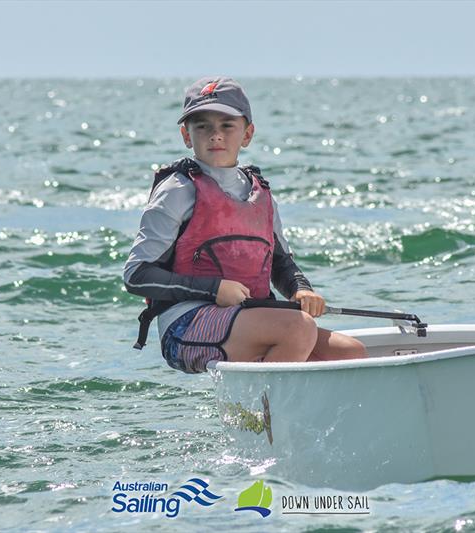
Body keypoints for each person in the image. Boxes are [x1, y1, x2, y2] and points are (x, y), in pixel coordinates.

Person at [124, 77, 366, 373]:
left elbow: (280, 263)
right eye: (202, 126)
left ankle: (285, 413)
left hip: (249, 318)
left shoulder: (259, 192)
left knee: (351, 352)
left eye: (227, 125)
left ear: (247, 134)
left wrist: (300, 290)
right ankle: (260, 417)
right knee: (297, 328)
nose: (215, 135)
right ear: (187, 136)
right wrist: (214, 290)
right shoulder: (176, 190)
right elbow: (136, 275)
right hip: (185, 326)